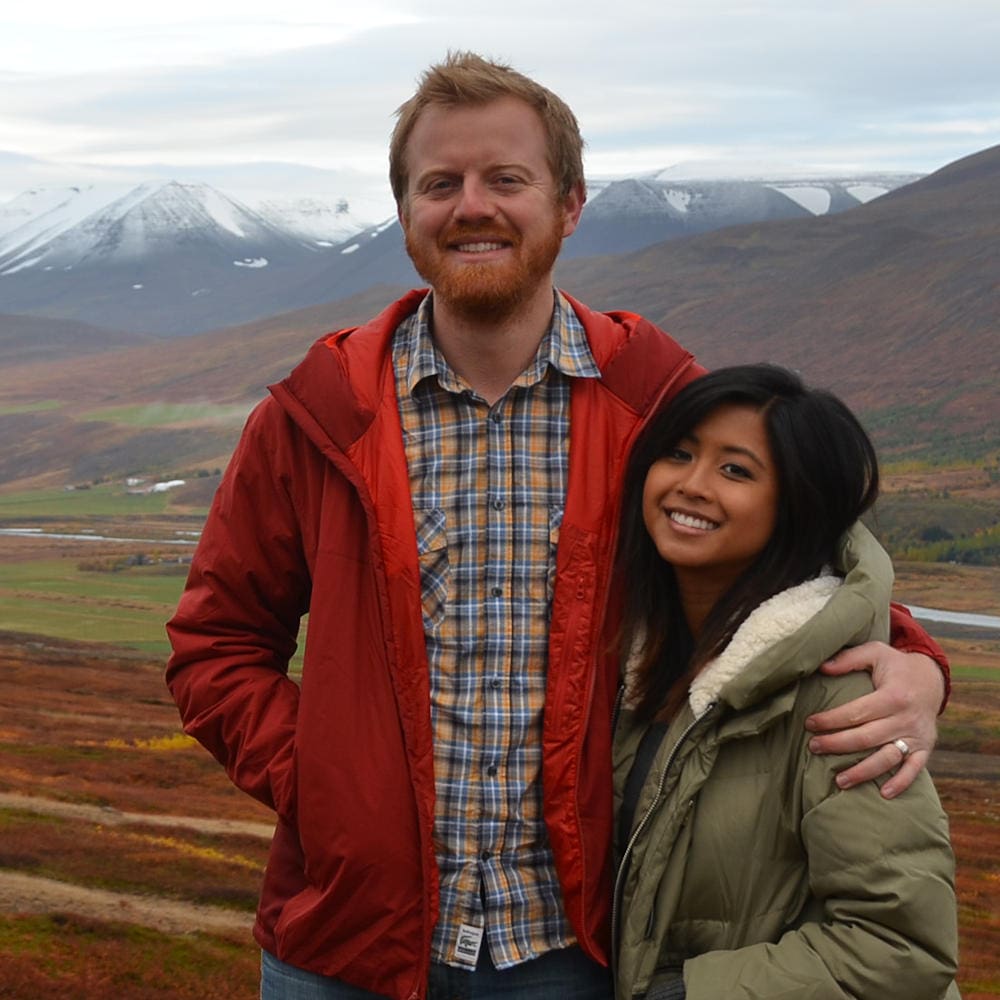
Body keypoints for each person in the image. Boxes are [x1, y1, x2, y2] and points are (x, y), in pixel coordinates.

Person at [165, 52, 950, 1000]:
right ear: (405, 213)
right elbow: (215, 645)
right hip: (344, 947)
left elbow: (795, 560)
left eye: (507, 179)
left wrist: (914, 661)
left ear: (569, 204)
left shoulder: (659, 402)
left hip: (577, 945)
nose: (472, 206)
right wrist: (326, 786)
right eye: (440, 183)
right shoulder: (316, 416)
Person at [611, 364, 959, 1000]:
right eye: (679, 453)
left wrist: (681, 996)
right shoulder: (633, 664)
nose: (691, 485)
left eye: (736, 470)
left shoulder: (851, 700)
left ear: (797, 507)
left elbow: (902, 947)